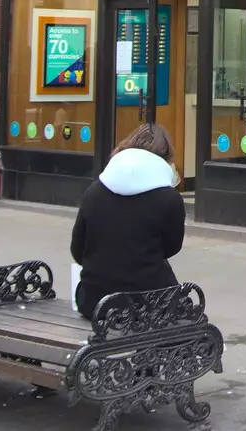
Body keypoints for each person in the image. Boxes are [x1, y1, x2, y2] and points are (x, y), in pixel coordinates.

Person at [70, 123, 185, 319]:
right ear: (165, 158)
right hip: (148, 305)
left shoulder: (94, 191)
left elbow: (77, 249)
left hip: (93, 301)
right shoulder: (169, 198)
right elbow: (172, 247)